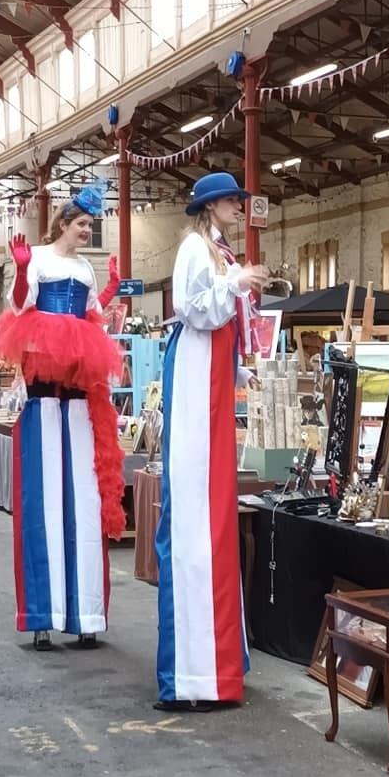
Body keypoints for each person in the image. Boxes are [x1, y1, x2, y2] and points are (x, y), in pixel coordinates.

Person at [155, 172, 269, 711]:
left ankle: (213, 664)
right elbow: (191, 309)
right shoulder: (196, 250)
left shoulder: (215, 249)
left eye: (237, 200)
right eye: (229, 200)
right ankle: (195, 669)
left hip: (211, 375)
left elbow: (211, 319)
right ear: (208, 206)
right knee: (199, 515)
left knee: (212, 513)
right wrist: (237, 282)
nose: (237, 207)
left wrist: (238, 372)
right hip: (198, 379)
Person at [0, 183, 125, 650]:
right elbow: (18, 304)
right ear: (64, 224)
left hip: (79, 388)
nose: (88, 231)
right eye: (83, 225)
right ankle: (43, 613)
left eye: (91, 225)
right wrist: (25, 269)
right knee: (43, 499)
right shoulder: (44, 258)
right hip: (43, 386)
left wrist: (109, 289)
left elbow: (92, 317)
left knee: (84, 499)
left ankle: (85, 611)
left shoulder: (84, 268)